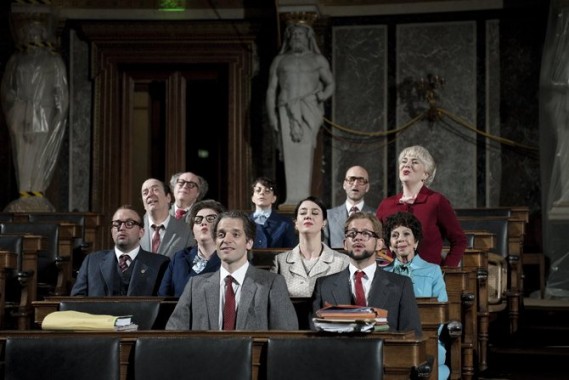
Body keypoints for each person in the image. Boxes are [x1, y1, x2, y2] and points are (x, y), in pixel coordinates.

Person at [166, 210, 298, 330]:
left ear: (249, 243)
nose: (226, 240)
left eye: (235, 234)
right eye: (221, 234)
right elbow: (173, 333)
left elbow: (286, 337)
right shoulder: (195, 285)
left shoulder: (272, 284)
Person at [312, 212, 422, 336]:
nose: (358, 238)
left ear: (379, 244)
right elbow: (314, 336)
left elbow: (412, 335)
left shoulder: (401, 285)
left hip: (384, 354)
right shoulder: (324, 286)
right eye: (352, 234)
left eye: (366, 234)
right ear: (345, 244)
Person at [0, 17, 69, 211]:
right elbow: (7, 89)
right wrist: (16, 106)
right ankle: (25, 193)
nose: (33, 36)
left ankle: (35, 192)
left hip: (44, 114)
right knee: (23, 154)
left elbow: (62, 96)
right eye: (29, 32)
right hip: (21, 111)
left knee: (40, 152)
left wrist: (56, 116)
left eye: (37, 32)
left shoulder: (53, 60)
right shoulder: (17, 60)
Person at [266, 22, 335, 207]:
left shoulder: (317, 60)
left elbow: (330, 84)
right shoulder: (280, 60)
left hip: (309, 107)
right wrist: (271, 116)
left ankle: (303, 200)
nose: (297, 37)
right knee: (288, 153)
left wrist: (322, 95)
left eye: (300, 34)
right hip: (285, 108)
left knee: (305, 151)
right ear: (289, 38)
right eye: (294, 34)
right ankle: (291, 200)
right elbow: (271, 90)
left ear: (308, 37)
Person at [383, 212, 449, 380]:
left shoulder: (433, 271)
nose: (400, 239)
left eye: (406, 234)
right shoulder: (381, 274)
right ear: (390, 245)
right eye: (394, 235)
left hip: (427, 339)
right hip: (391, 339)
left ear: (416, 242)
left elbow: (441, 313)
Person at [376, 145, 466, 267]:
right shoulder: (386, 205)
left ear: (425, 174)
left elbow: (459, 241)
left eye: (414, 162)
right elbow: (374, 241)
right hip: (392, 278)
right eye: (404, 161)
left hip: (428, 278)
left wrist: (447, 272)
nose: (407, 165)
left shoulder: (436, 201)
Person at [71, 205, 169, 296]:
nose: (121, 228)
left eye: (129, 224)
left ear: (141, 232)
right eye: (116, 224)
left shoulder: (160, 264)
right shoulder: (92, 262)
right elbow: (76, 300)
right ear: (111, 231)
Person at [271, 196, 349, 298]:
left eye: (315, 213)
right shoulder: (280, 261)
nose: (308, 216)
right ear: (296, 223)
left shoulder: (342, 261)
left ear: (324, 222)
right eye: (303, 213)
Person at [158, 199, 225, 297]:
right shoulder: (179, 258)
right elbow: (163, 298)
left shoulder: (230, 259)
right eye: (198, 220)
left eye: (210, 218)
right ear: (193, 232)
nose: (203, 222)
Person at [325, 165, 376, 249]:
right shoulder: (328, 216)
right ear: (344, 184)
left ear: (367, 187)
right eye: (351, 180)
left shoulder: (376, 216)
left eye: (361, 180)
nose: (355, 184)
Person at [140, 178, 192, 258]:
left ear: (168, 198)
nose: (150, 194)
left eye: (155, 190)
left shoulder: (186, 230)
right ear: (143, 204)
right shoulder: (134, 229)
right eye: (145, 193)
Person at [250, 176, 297, 249]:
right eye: (258, 190)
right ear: (253, 198)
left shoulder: (285, 223)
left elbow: (290, 252)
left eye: (267, 191)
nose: (262, 193)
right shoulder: (244, 222)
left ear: (274, 198)